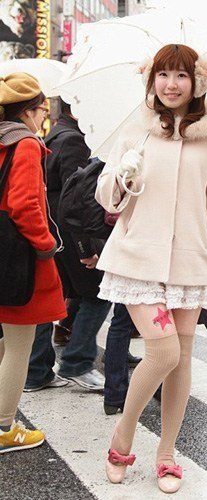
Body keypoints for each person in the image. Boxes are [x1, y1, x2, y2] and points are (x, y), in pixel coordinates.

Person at [95, 44, 207, 492]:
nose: (171, 85)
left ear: (197, 82)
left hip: (190, 264)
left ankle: (166, 454)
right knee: (163, 353)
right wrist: (122, 177)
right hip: (138, 259)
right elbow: (107, 198)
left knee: (180, 362)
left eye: (181, 76)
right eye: (163, 75)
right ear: (152, 79)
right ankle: (122, 437)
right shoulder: (137, 129)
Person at [24, 98, 111, 392]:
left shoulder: (55, 134)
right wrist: (87, 248)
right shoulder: (74, 140)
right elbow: (77, 201)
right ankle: (77, 362)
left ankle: (37, 370)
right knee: (99, 293)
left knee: (48, 300)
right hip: (69, 235)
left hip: (53, 231)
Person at [0, 72, 66, 453]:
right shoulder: (24, 143)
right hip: (17, 259)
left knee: (5, 342)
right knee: (19, 344)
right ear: (28, 111)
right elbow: (24, 205)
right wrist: (45, 245)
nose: (44, 116)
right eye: (42, 109)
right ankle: (4, 427)